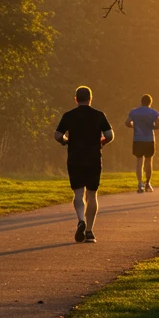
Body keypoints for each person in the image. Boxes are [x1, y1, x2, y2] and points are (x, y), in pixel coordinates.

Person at [55, 86, 113, 243]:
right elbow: (109, 135)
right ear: (90, 99)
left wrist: (65, 142)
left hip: (75, 158)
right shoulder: (99, 115)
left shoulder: (69, 116)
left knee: (78, 193)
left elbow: (58, 135)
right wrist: (102, 142)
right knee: (92, 194)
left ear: (76, 99)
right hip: (93, 158)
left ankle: (81, 219)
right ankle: (89, 231)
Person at [125, 94, 159, 193]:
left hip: (138, 139)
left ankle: (140, 183)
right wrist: (152, 127)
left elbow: (127, 122)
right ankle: (148, 183)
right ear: (150, 102)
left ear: (141, 102)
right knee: (148, 162)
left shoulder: (134, 112)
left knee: (139, 161)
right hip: (149, 139)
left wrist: (133, 126)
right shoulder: (154, 112)